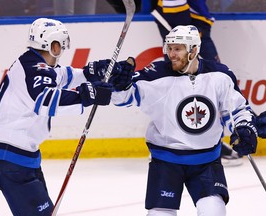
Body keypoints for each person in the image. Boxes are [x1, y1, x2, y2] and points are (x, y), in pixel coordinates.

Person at [110, 25, 258, 216]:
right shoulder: (156, 74)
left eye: (178, 49)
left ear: (194, 50)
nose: (172, 54)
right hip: (166, 162)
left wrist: (244, 127)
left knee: (213, 212)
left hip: (206, 162)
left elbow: (237, 109)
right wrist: (119, 85)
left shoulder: (219, 75)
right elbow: (123, 98)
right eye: (170, 48)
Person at [0, 18, 115, 215]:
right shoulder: (34, 68)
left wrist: (98, 72)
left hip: (18, 157)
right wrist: (87, 95)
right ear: (53, 46)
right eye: (60, 45)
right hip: (12, 159)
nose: (61, 51)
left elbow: (65, 76)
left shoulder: (34, 64)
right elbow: (45, 100)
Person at [153, 0, 243, 166]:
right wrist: (187, 44)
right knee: (184, 87)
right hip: (184, 28)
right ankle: (182, 145)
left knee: (211, 86)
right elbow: (174, 9)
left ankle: (210, 142)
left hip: (196, 29)